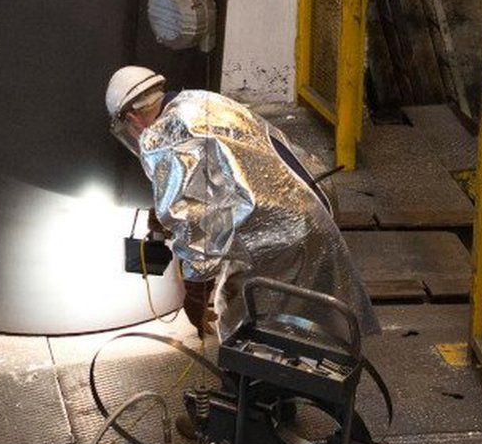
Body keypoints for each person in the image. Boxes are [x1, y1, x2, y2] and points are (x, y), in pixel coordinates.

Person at [106, 65, 379, 341]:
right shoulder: (197, 100)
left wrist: (196, 291)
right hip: (311, 204)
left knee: (250, 334)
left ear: (132, 118)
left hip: (278, 236)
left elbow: (198, 223)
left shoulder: (162, 136)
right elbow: (218, 170)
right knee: (310, 327)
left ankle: (264, 381)